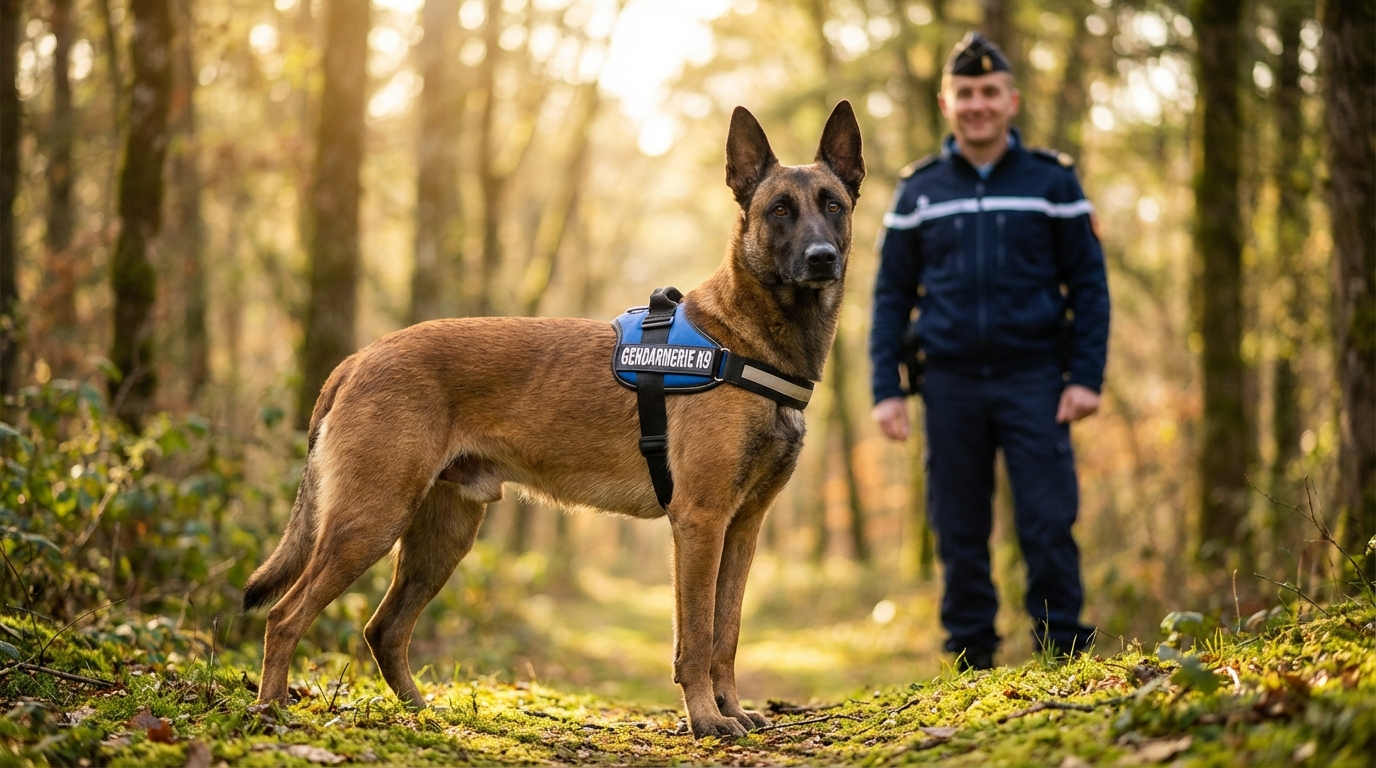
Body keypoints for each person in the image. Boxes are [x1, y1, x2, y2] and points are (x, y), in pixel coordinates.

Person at [868, 32, 1109, 671]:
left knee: (1048, 521)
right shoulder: (917, 191)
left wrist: (1086, 377)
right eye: (966, 93)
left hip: (1036, 379)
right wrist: (886, 390)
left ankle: (1064, 654)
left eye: (990, 92)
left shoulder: (1053, 182)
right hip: (947, 382)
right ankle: (971, 661)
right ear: (946, 104)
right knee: (958, 528)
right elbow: (890, 297)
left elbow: (1089, 285)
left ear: (1012, 101)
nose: (978, 104)